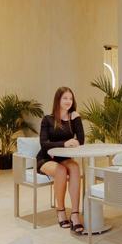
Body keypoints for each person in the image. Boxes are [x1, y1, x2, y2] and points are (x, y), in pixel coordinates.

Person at [38, 87, 85, 234]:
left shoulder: (74, 118)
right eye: (65, 98)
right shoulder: (47, 119)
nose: (68, 101)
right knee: (61, 170)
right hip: (46, 158)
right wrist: (64, 143)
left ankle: (75, 214)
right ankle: (61, 210)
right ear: (58, 100)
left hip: (64, 158)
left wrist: (76, 118)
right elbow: (44, 144)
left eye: (70, 98)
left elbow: (81, 140)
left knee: (75, 168)